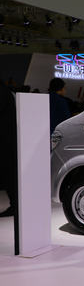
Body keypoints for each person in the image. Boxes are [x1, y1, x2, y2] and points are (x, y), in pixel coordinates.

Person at [0, 81, 17, 217]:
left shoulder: (2, 92)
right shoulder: (6, 91)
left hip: (5, 139)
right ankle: (15, 205)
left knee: (9, 173)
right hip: (8, 138)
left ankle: (15, 205)